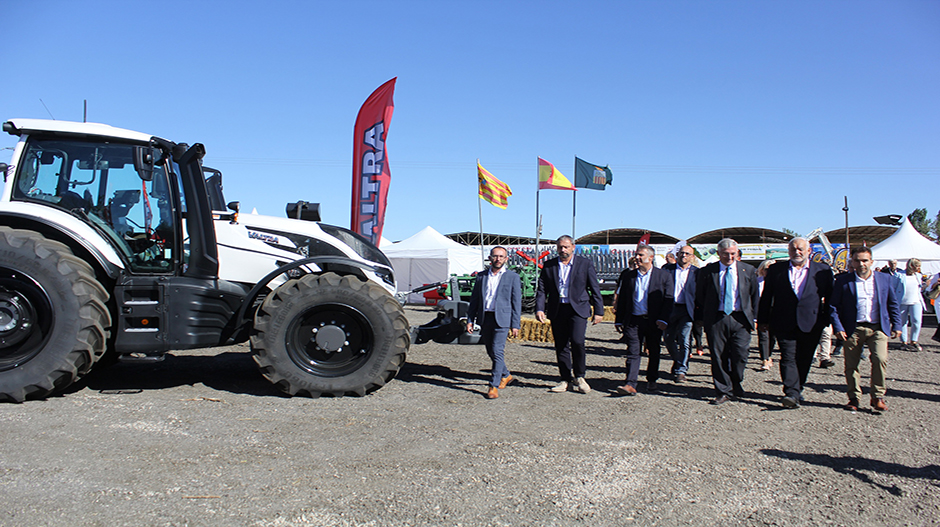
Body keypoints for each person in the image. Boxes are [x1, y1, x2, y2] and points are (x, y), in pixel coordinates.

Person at [757, 238, 833, 408]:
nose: (796, 252)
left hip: (811, 322)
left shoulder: (823, 270)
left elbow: (830, 298)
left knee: (804, 358)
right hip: (783, 321)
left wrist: (827, 319)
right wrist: (763, 320)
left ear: (809, 251)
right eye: (793, 250)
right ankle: (791, 392)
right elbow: (767, 296)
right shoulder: (777, 270)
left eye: (800, 249)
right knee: (787, 357)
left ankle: (798, 389)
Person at [830, 247, 901, 412]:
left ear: (871, 261)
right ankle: (853, 398)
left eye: (865, 260)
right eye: (857, 260)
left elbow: (893, 303)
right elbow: (833, 306)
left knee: (880, 359)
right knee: (851, 365)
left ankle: (878, 397)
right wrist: (838, 328)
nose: (861, 264)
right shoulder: (843, 281)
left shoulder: (884, 279)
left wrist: (897, 324)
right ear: (852, 262)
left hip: (878, 328)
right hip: (853, 328)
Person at [536, 235, 604, 394]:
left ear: (573, 247)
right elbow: (542, 290)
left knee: (578, 341)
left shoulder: (584, 264)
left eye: (566, 247)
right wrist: (540, 308)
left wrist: (599, 311)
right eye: (560, 247)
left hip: (578, 309)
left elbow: (594, 288)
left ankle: (580, 376)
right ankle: (565, 379)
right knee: (561, 345)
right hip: (558, 309)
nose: (563, 250)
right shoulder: (549, 265)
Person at [694, 238, 759, 405]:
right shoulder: (708, 272)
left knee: (740, 355)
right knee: (718, 355)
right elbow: (700, 295)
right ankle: (723, 390)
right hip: (717, 318)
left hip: (740, 318)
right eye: (725, 254)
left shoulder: (748, 270)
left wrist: (755, 317)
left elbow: (754, 296)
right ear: (718, 253)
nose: (729, 257)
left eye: (733, 254)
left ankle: (736, 382)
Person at [614, 245, 674, 394]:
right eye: (637, 255)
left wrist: (664, 319)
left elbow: (668, 300)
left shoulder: (664, 276)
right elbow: (623, 300)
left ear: (651, 258)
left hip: (654, 321)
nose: (637, 258)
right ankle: (630, 383)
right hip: (634, 320)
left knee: (653, 351)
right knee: (633, 351)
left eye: (641, 255)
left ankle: (652, 379)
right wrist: (619, 319)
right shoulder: (629, 276)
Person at [467, 246, 522, 399]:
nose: (498, 259)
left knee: (497, 351)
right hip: (486, 318)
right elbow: (474, 300)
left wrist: (515, 324)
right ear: (490, 258)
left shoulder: (512, 277)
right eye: (495, 256)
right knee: (491, 351)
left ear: (506, 259)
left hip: (503, 319)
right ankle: (506, 375)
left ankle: (493, 386)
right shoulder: (481, 276)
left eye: (501, 256)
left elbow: (516, 302)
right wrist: (470, 320)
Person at [662, 245, 697, 383]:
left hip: (687, 311)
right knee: (668, 339)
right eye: (682, 253)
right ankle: (677, 362)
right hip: (669, 309)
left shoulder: (697, 273)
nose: (684, 256)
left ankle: (681, 370)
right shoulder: (666, 270)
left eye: (687, 254)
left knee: (684, 340)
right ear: (677, 255)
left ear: (692, 257)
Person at [898, 258, 926, 352]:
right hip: (902, 302)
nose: (919, 268)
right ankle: (903, 341)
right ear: (911, 266)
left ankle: (914, 340)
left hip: (916, 301)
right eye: (917, 266)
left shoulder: (918, 275)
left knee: (917, 321)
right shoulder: (899, 275)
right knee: (903, 322)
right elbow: (894, 287)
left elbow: (920, 288)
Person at [755, 260, 776, 371]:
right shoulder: (757, 282)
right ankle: (765, 358)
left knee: (772, 337)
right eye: (767, 269)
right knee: (763, 336)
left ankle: (769, 355)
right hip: (760, 312)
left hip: (773, 312)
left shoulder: (778, 281)